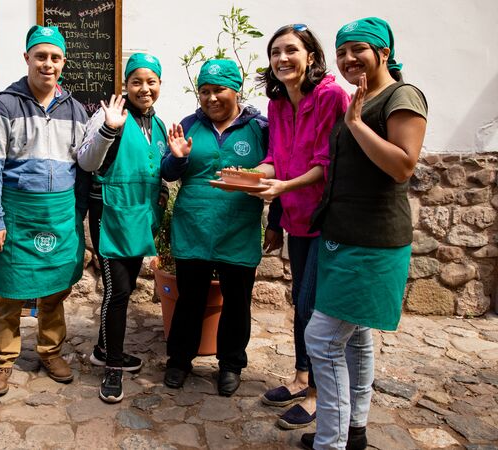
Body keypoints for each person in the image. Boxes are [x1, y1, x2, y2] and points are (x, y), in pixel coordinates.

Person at [301, 17, 427, 450]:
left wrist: (355, 125)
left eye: (358, 49)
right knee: (354, 337)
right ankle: (353, 431)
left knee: (322, 337)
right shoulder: (362, 97)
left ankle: (330, 442)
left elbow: (402, 166)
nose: (349, 59)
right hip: (345, 235)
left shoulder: (401, 96)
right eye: (342, 51)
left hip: (372, 241)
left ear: (383, 53)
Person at [0, 25, 88, 397]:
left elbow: (84, 164)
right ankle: (1, 359)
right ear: (27, 58)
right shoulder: (4, 105)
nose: (48, 64)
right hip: (17, 212)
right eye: (40, 56)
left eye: (55, 58)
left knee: (55, 290)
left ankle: (50, 351)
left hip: (59, 212)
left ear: (63, 62)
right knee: (9, 290)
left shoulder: (76, 110)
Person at [250, 24, 349, 430]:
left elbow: (329, 163)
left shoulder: (330, 95)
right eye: (275, 52)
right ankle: (300, 377)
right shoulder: (276, 103)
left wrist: (283, 185)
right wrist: (250, 175)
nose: (282, 59)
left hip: (329, 218)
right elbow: (276, 158)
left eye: (291, 50)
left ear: (311, 55)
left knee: (312, 305)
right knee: (300, 303)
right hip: (296, 217)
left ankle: (316, 397)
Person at [161, 59, 270, 396]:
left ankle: (231, 364)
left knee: (237, 300)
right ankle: (179, 360)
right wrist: (177, 157)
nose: (211, 98)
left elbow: (277, 168)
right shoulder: (189, 125)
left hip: (239, 227)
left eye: (218, 90)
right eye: (204, 91)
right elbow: (168, 172)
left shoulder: (260, 129)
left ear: (235, 89)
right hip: (195, 225)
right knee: (189, 298)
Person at [77, 53, 168, 403]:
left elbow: (156, 167)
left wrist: (163, 188)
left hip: (140, 217)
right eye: (136, 82)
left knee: (125, 290)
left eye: (151, 81)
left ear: (159, 84)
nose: (144, 89)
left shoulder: (158, 125)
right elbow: (86, 161)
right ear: (125, 85)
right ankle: (112, 368)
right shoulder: (109, 115)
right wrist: (108, 129)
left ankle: (104, 349)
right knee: (116, 294)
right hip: (112, 216)